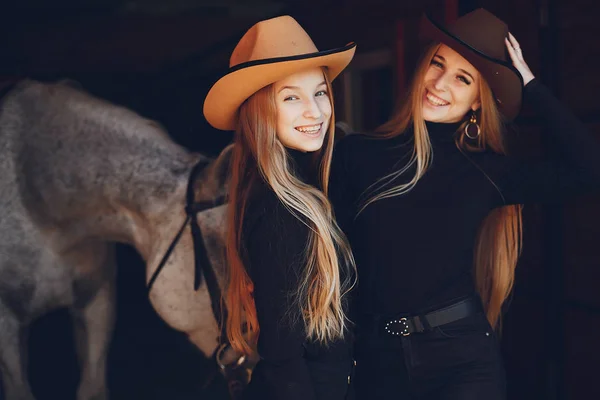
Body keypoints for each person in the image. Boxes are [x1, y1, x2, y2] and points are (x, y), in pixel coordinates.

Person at [329, 8, 600, 399]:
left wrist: (530, 85)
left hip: (461, 361)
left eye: (462, 78)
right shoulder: (357, 155)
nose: (439, 83)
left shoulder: (486, 171)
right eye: (436, 64)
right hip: (376, 361)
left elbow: (588, 169)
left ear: (477, 101)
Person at [203, 15, 358, 400]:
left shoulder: (303, 187)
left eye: (320, 92)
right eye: (291, 97)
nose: (315, 111)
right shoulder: (279, 210)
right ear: (259, 112)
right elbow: (283, 354)